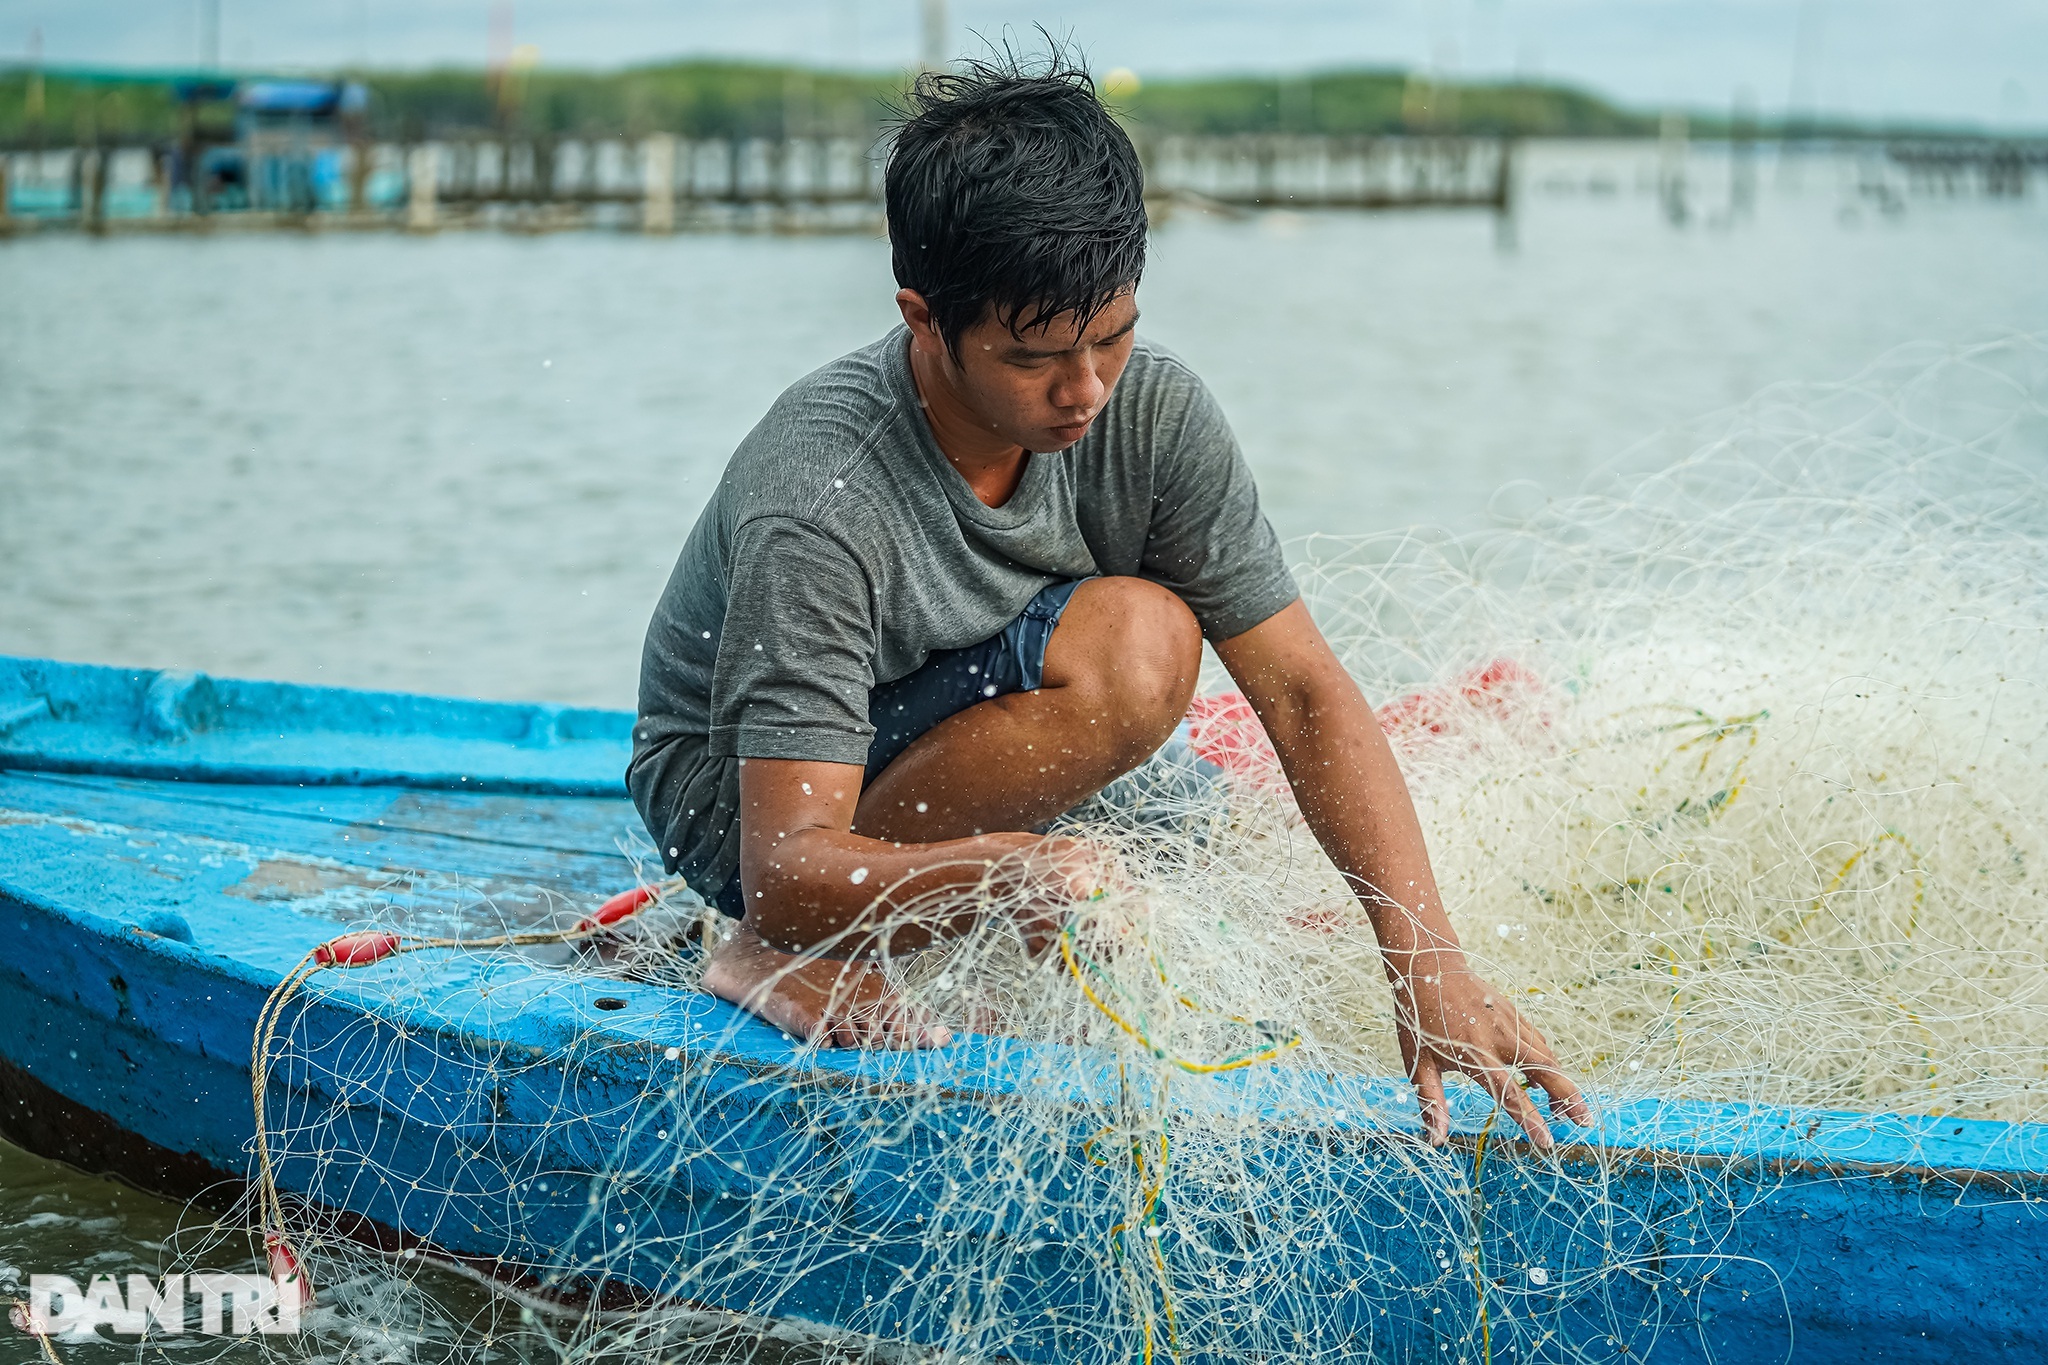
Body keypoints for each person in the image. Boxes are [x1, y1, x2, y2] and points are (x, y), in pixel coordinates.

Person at [630, 53, 1590, 1149]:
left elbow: (1305, 696)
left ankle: (924, 887)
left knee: (1212, 847)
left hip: (976, 708)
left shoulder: (1153, 414)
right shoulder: (821, 499)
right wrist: (992, 872)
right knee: (1139, 647)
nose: (1085, 389)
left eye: (1112, 334)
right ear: (922, 318)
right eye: (1034, 356)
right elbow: (786, 856)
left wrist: (1428, 962)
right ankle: (779, 951)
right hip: (747, 811)